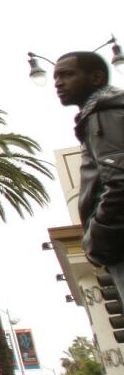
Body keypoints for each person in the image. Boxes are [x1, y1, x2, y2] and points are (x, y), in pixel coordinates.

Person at [53, 51, 124, 294]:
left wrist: (98, 237)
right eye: (55, 78)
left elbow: (119, 182)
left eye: (67, 74)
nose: (58, 83)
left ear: (96, 78)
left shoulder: (104, 114)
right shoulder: (103, 113)